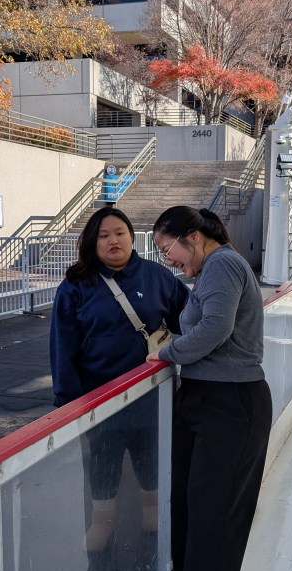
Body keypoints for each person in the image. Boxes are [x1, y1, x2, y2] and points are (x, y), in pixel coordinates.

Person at [148, 206, 272, 571]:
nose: (170, 260)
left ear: (193, 237)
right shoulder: (212, 270)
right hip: (210, 401)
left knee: (213, 522)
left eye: (169, 249)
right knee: (194, 512)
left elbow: (215, 330)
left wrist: (166, 353)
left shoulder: (223, 265)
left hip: (231, 405)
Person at [50, 205, 189, 552]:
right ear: (92, 244)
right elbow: (62, 347)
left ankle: (152, 522)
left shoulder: (158, 277)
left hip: (153, 398)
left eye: (119, 233)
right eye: (103, 235)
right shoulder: (75, 286)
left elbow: (190, 322)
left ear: (132, 237)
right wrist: (68, 404)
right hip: (101, 402)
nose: (113, 241)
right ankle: (102, 524)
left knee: (153, 465)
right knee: (102, 468)